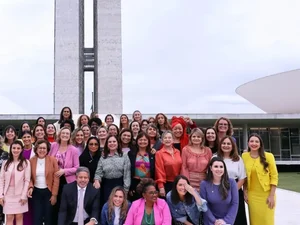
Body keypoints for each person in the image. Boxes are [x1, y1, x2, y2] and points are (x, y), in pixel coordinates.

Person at [242, 133, 278, 225]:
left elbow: (274, 176)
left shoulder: (269, 156)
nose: (254, 143)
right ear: (248, 143)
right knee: (254, 221)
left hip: (267, 194)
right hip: (252, 196)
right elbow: (244, 177)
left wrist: (271, 195)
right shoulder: (244, 156)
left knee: (267, 221)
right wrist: (245, 192)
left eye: (256, 141)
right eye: (251, 141)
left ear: (260, 144)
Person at [216, 136, 247, 225]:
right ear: (220, 145)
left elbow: (242, 178)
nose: (226, 145)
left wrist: (231, 192)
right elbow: (209, 175)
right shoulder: (215, 157)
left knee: (237, 218)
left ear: (233, 146)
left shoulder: (238, 159)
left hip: (235, 191)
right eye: (224, 143)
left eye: (228, 144)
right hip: (218, 191)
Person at [94, 135, 131, 208]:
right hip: (107, 185)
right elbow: (98, 172)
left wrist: (126, 190)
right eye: (109, 142)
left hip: (119, 184)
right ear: (107, 144)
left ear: (117, 144)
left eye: (114, 141)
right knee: (108, 207)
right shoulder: (103, 157)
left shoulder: (124, 156)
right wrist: (97, 180)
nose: (112, 143)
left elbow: (127, 174)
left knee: (119, 207)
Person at [28, 139, 59, 225]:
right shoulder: (31, 160)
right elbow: (29, 177)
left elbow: (56, 178)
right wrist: (30, 187)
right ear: (36, 149)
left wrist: (54, 195)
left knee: (48, 216)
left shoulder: (52, 160)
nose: (42, 150)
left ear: (47, 149)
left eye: (44, 148)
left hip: (48, 192)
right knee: (37, 216)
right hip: (36, 192)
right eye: (40, 148)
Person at [0, 140, 31, 225]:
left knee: (19, 216)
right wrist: (1, 196)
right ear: (11, 149)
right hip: (7, 194)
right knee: (9, 217)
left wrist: (24, 195)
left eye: (18, 148)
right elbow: (1, 180)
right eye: (14, 148)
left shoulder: (26, 162)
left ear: (21, 150)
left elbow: (27, 180)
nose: (16, 150)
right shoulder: (5, 163)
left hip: (20, 194)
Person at [200, 157, 238, 225]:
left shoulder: (232, 182)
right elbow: (204, 205)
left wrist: (225, 221)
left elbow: (235, 204)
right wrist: (214, 221)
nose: (219, 169)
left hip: (227, 222)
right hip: (210, 221)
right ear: (211, 168)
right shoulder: (204, 184)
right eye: (216, 166)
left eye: (221, 167)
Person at [155, 131, 182, 197]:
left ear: (173, 140)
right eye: (165, 138)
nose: (167, 140)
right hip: (166, 184)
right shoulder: (159, 153)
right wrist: (161, 187)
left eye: (169, 138)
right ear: (162, 140)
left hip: (178, 182)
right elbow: (159, 170)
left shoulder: (178, 152)